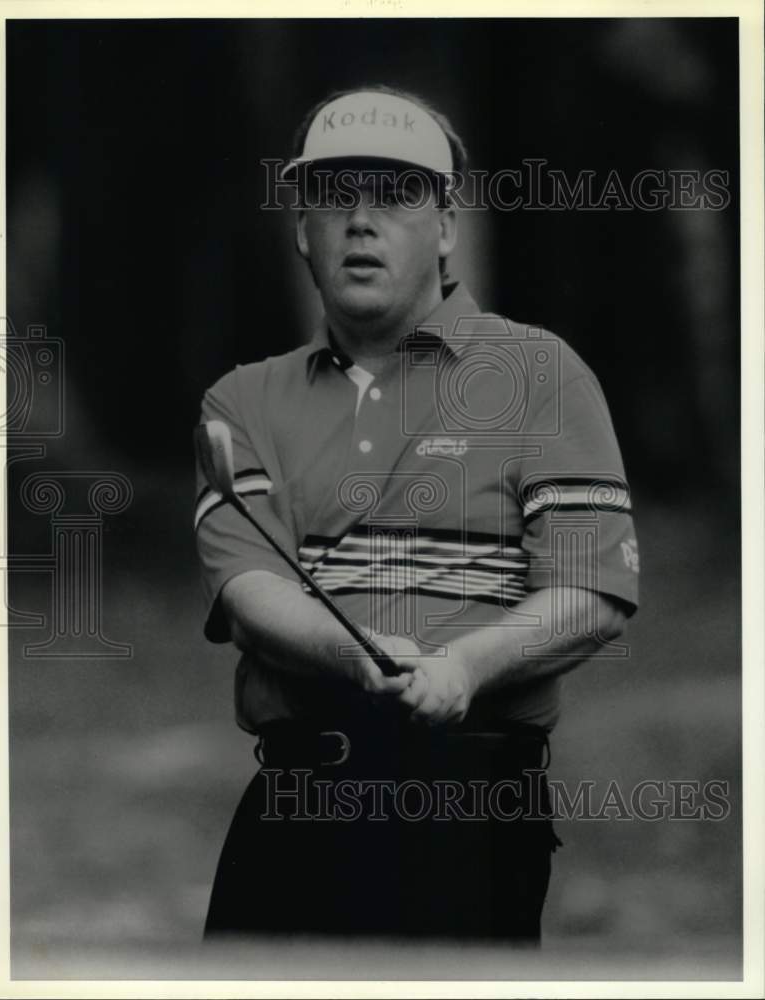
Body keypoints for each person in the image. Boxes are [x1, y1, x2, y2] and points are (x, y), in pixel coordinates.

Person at [194, 85, 639, 942]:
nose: (361, 221)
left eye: (395, 195)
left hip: (471, 801)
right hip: (296, 793)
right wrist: (356, 658)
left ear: (444, 227)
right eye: (333, 196)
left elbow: (591, 595)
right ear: (301, 229)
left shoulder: (542, 376)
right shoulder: (240, 399)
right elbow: (250, 589)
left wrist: (468, 665)